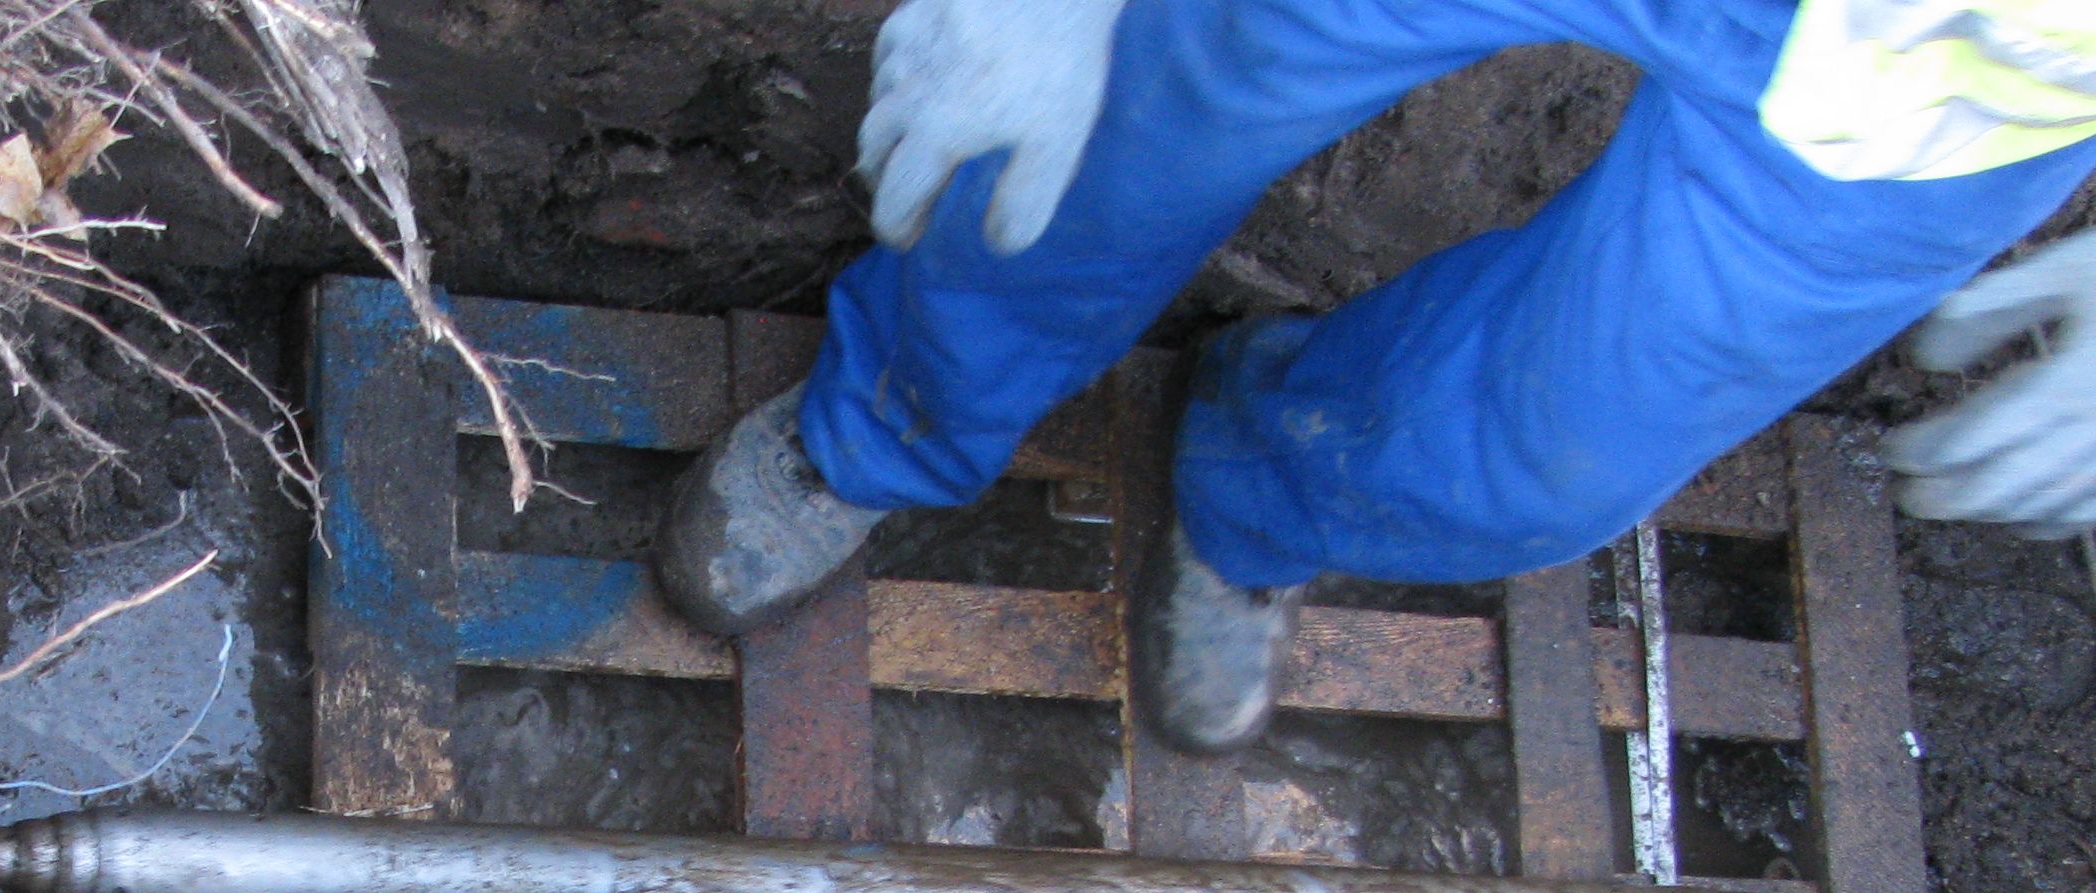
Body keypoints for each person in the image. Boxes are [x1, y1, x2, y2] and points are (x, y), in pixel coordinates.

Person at [653, 0, 2096, 753]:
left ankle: (1257, 490)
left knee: (1546, 461)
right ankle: (882, 428)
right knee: (1097, 145)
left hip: (1964, 93)